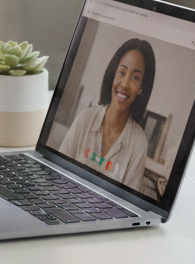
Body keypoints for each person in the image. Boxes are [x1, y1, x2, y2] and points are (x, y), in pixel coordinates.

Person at [58, 38, 156, 192]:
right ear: (113, 75)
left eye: (135, 78)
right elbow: (57, 174)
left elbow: (128, 203)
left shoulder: (139, 143)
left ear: (141, 88)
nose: (124, 84)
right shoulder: (85, 119)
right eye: (121, 72)